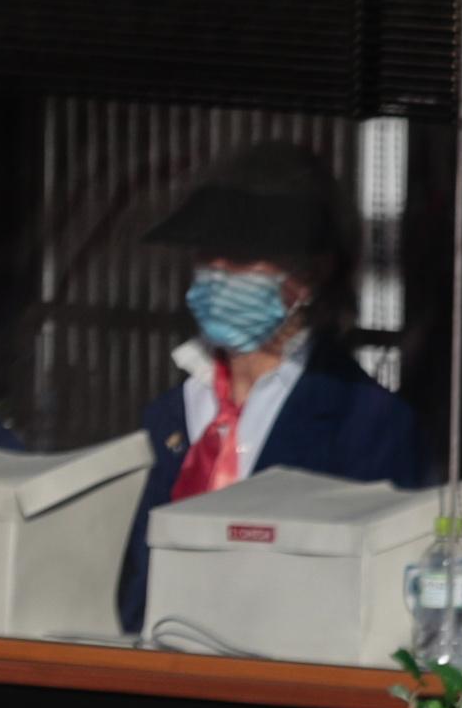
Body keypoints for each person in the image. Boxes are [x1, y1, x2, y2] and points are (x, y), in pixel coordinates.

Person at [117, 140, 421, 636]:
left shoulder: (368, 422)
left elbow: (378, 606)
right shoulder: (167, 416)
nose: (216, 274)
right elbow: (134, 590)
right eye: (205, 255)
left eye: (239, 258)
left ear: (307, 276)